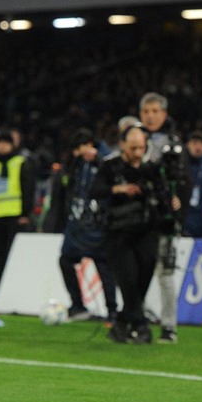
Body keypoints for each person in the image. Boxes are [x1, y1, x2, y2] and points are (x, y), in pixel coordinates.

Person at [90, 125, 177, 344]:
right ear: (122, 145)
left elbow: (163, 196)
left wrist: (171, 202)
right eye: (133, 148)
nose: (138, 152)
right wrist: (117, 189)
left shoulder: (151, 169)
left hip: (148, 232)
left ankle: (121, 326)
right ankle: (141, 327)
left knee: (142, 282)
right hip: (118, 233)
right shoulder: (110, 167)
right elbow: (94, 191)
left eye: (141, 147)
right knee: (128, 280)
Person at [43, 128, 118, 322]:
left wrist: (98, 159)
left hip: (98, 224)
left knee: (104, 266)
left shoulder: (106, 160)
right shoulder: (75, 164)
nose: (78, 153)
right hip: (76, 225)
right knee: (65, 261)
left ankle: (112, 310)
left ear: (90, 145)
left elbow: (115, 178)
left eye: (80, 148)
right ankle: (77, 305)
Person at [139, 92, 190, 344]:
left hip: (163, 219)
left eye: (155, 111)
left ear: (164, 114)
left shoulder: (174, 144)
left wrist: (179, 206)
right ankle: (135, 320)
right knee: (134, 273)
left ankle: (168, 327)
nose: (150, 116)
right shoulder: (132, 139)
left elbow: (185, 181)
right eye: (146, 111)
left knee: (165, 274)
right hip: (136, 217)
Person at [0, 131, 36, 289]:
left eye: (6, 143)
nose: (3, 146)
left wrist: (25, 213)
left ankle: (12, 282)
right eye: (0, 143)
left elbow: (28, 188)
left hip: (15, 213)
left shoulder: (20, 162)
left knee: (12, 251)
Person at [182, 130, 202, 238]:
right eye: (195, 143)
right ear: (187, 145)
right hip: (184, 214)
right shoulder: (180, 165)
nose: (198, 147)